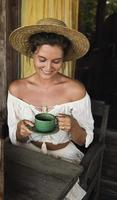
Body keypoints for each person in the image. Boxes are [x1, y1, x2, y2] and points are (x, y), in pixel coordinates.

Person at [7, 18, 94, 200]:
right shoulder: (17, 89)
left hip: (65, 159)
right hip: (28, 153)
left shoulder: (75, 90)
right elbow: (16, 137)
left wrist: (74, 126)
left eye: (56, 61)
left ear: (64, 60)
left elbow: (84, 139)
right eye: (42, 59)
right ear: (32, 54)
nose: (48, 67)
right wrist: (21, 130)